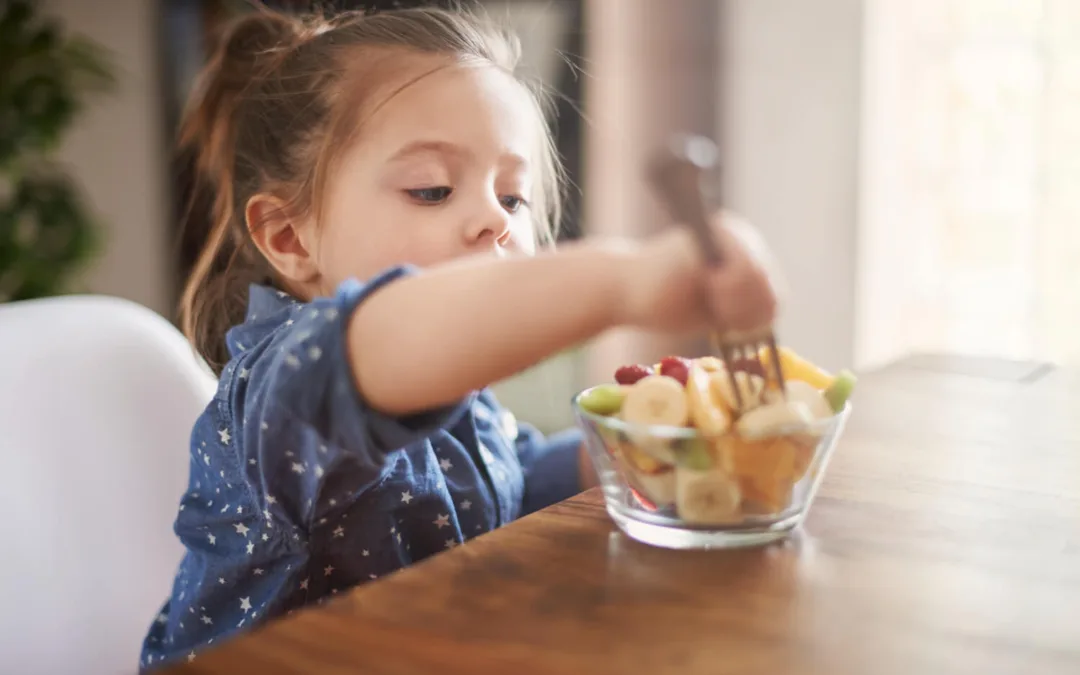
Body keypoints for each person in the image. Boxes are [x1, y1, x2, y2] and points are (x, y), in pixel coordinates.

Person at [140, 5, 778, 670]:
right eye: (432, 189)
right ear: (289, 238)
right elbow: (393, 333)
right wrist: (628, 280)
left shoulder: (452, 388)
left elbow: (504, 486)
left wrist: (631, 448)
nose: (492, 220)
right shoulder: (289, 387)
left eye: (513, 197)